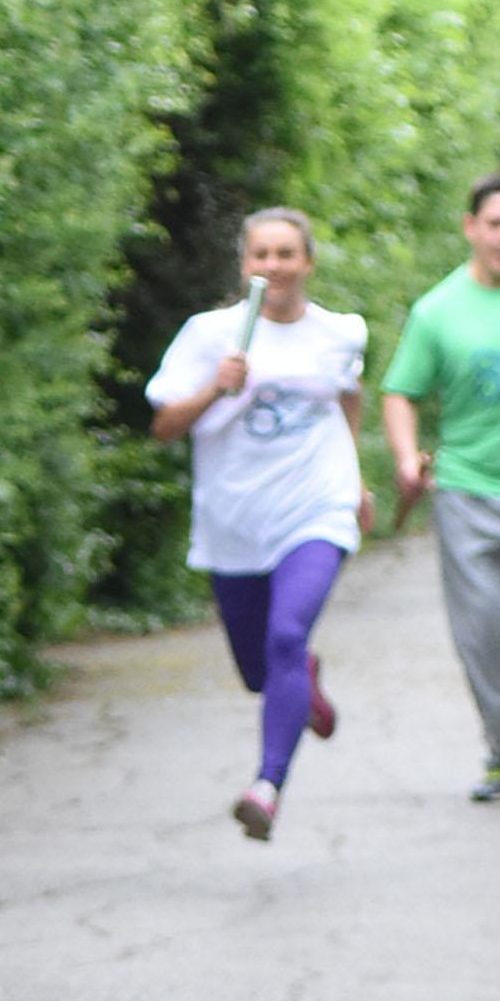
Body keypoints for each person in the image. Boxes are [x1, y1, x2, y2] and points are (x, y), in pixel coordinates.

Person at [147, 206, 371, 841]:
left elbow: (349, 395)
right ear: (245, 264)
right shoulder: (208, 335)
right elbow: (164, 427)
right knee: (260, 671)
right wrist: (215, 389)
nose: (274, 266)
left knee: (286, 636)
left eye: (286, 254)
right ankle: (305, 686)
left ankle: (266, 787)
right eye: (261, 255)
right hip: (235, 524)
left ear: (308, 262)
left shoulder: (339, 333)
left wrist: (354, 478)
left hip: (316, 509)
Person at [381, 172, 500, 801]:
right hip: (467, 490)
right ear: (471, 227)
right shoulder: (438, 310)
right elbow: (400, 391)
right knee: (479, 639)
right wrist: (407, 458)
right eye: (494, 224)